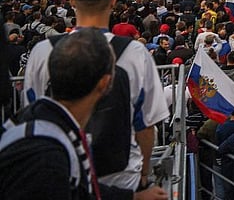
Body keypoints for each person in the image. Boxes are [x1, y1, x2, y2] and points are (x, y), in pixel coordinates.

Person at [23, 0, 169, 193]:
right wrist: (144, 175)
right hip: (121, 177)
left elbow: (33, 113)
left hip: (61, 173)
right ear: (114, 1)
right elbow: (146, 125)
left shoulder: (42, 52)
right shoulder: (135, 53)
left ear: (71, 0)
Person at [0, 27, 166, 200]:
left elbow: (81, 190)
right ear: (105, 83)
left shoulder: (49, 124)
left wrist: (134, 197)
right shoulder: (46, 159)